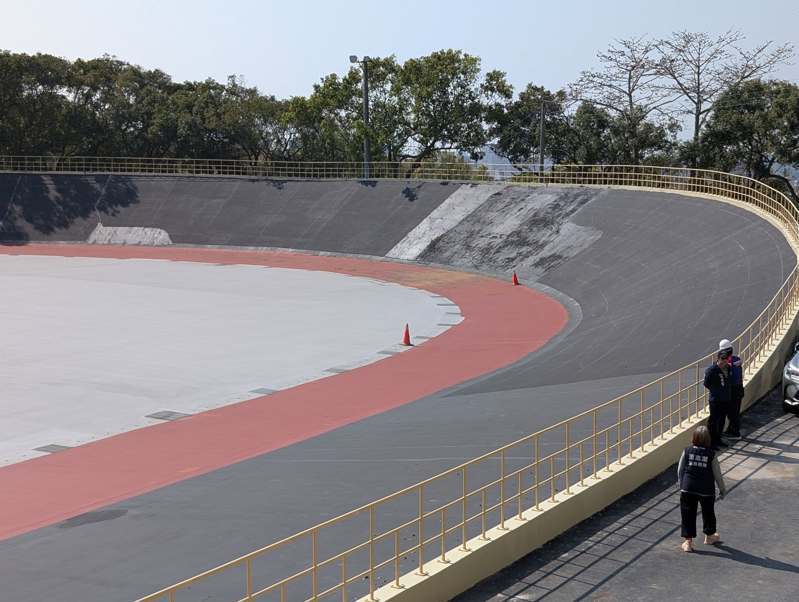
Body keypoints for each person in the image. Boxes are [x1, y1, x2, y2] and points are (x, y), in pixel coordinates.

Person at [678, 425, 727, 552]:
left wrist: (682, 484)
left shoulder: (687, 451)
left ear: (694, 437)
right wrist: (722, 489)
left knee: (688, 514)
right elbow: (717, 475)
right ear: (708, 439)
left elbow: (680, 470)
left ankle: (688, 542)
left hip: (688, 488)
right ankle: (709, 536)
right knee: (708, 513)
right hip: (706, 490)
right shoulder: (711, 454)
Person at [703, 348, 732, 450]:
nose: (724, 361)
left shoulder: (728, 368)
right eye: (723, 359)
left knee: (722, 420)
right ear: (718, 358)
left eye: (726, 359)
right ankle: (711, 442)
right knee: (713, 421)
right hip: (715, 400)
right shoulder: (711, 370)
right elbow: (706, 383)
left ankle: (718, 439)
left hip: (725, 398)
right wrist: (716, 390)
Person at [718, 338, 744, 439]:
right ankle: (730, 429)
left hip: (732, 390)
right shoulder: (737, 359)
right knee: (734, 411)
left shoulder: (727, 363)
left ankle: (735, 433)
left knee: (732, 413)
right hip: (738, 389)